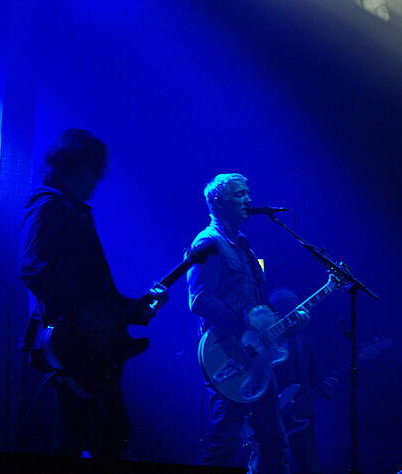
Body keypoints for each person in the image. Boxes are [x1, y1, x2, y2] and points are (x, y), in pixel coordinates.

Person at [20, 128, 164, 458]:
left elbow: (95, 291)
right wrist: (85, 315)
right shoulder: (48, 207)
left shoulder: (77, 212)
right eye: (93, 171)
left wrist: (131, 309)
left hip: (86, 345)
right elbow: (31, 268)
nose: (97, 181)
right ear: (74, 165)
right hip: (66, 343)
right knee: (88, 436)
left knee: (105, 435)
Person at [187, 173, 292, 473]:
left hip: (257, 357)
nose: (248, 198)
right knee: (224, 442)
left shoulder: (243, 245)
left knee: (274, 443)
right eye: (239, 194)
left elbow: (255, 305)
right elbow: (199, 300)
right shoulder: (208, 242)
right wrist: (242, 323)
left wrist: (281, 322)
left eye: (248, 192)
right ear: (218, 201)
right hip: (228, 354)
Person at [264, 288, 337, 474]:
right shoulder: (262, 342)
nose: (291, 311)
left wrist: (328, 388)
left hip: (302, 415)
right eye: (283, 307)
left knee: (310, 465)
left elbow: (315, 375)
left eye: (293, 305)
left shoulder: (305, 342)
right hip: (270, 414)